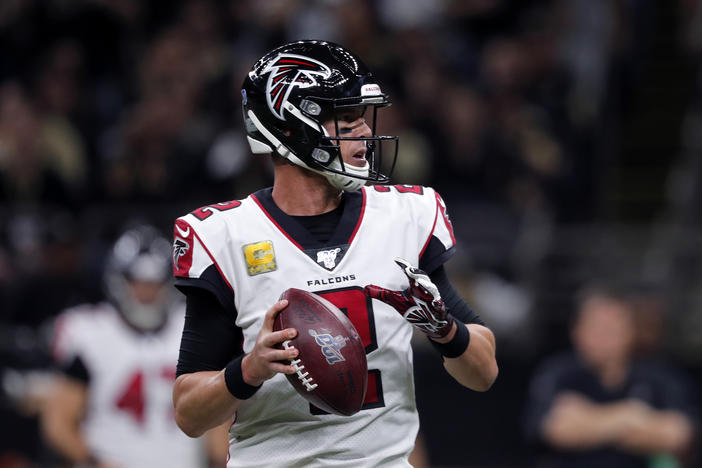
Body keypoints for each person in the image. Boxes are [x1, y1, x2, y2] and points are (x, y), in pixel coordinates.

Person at [171, 40, 498, 467]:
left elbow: (485, 371)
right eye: (345, 118)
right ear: (291, 127)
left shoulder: (404, 216)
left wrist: (446, 331)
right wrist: (249, 370)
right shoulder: (226, 236)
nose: (363, 130)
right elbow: (189, 415)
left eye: (361, 117)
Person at [42, 224, 227, 468]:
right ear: (118, 280)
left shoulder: (192, 329)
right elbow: (58, 423)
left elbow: (216, 419)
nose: (146, 293)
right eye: (138, 282)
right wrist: (94, 462)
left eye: (154, 283)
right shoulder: (90, 333)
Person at [524, 284, 698, 468]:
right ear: (577, 331)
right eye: (598, 327)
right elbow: (554, 430)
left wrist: (587, 422)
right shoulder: (558, 373)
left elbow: (678, 435)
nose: (606, 337)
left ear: (630, 332)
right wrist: (629, 416)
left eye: (613, 327)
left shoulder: (659, 378)